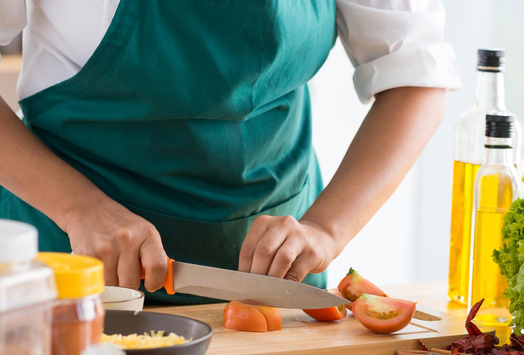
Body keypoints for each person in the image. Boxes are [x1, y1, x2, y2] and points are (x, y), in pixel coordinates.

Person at [0, 0, 461, 304]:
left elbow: (414, 78)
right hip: (74, 270)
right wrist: (79, 208)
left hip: (274, 287)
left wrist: (324, 229)